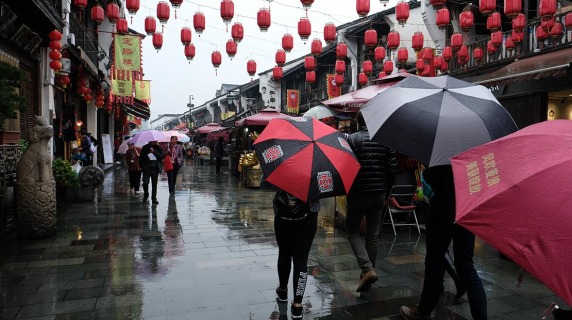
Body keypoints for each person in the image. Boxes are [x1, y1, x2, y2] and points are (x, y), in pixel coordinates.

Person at [400, 165, 487, 320]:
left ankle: (423, 310)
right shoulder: (473, 156)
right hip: (466, 211)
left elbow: (429, 176)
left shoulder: (440, 157)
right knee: (467, 266)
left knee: (435, 261)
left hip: (441, 211)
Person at [346, 111, 398, 292]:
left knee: (352, 231)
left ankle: (367, 270)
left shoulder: (352, 140)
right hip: (378, 194)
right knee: (372, 235)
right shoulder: (386, 141)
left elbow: (346, 166)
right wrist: (386, 193)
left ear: (358, 122)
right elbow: (393, 170)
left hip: (358, 193)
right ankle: (368, 275)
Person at [273, 189, 320, 319]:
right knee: (301, 261)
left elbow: (265, 181)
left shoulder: (281, 168)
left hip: (283, 217)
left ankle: (283, 291)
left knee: (284, 254)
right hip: (307, 218)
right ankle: (297, 306)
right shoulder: (315, 171)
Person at [139, 140, 164, 205]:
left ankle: (154, 198)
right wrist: (142, 166)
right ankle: (146, 195)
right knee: (145, 182)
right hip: (146, 168)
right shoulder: (145, 147)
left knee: (154, 184)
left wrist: (154, 152)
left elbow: (161, 156)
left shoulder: (158, 147)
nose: (154, 142)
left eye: (156, 141)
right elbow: (141, 157)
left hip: (155, 168)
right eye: (153, 141)